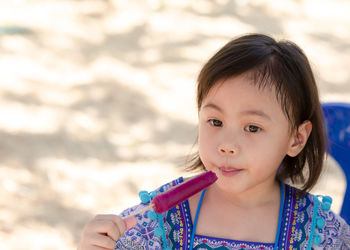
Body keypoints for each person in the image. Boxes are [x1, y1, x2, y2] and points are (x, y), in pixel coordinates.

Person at [77, 34, 350, 250]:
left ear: (297, 138)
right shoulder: (158, 221)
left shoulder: (321, 233)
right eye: (215, 122)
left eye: (252, 127)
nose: (226, 144)